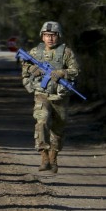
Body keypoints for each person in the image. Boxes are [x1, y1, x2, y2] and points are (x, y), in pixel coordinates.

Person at [21, 21, 80, 173]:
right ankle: (44, 156)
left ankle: (53, 157)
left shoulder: (66, 52)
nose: (50, 38)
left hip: (60, 97)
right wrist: (33, 69)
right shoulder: (35, 52)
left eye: (53, 35)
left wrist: (62, 73)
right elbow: (25, 68)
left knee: (58, 129)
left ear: (58, 36)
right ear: (42, 37)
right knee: (42, 122)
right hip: (41, 95)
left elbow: (76, 70)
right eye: (47, 35)